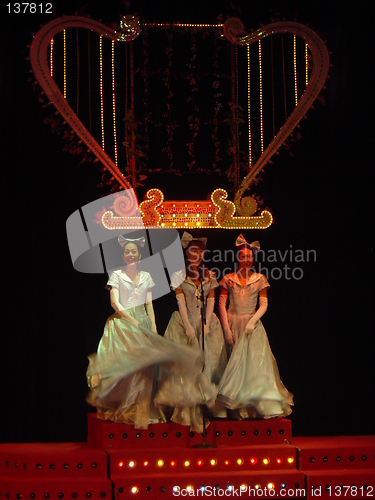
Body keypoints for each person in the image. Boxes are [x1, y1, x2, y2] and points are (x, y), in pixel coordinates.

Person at [86, 235, 209, 429]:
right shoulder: (117, 275)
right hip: (123, 323)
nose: (130, 254)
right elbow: (115, 303)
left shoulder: (146, 276)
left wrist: (153, 329)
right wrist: (132, 320)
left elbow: (149, 305)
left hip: (142, 322)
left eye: (134, 251)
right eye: (127, 251)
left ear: (139, 254)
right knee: (127, 368)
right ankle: (124, 407)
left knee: (146, 370)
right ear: (123, 255)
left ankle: (142, 409)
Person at [217, 234, 293, 419]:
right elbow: (222, 304)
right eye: (243, 256)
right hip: (234, 323)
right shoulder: (229, 278)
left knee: (254, 366)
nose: (247, 259)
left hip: (252, 327)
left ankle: (255, 406)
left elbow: (264, 304)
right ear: (237, 258)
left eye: (250, 256)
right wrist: (226, 328)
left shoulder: (259, 279)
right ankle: (238, 408)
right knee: (235, 367)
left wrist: (252, 321)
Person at [159, 232, 227, 432]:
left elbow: (211, 299)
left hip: (205, 324)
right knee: (188, 371)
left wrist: (205, 323)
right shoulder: (178, 275)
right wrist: (189, 326)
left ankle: (205, 410)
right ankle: (186, 413)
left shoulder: (209, 275)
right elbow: (180, 301)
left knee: (208, 367)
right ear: (187, 253)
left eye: (201, 252)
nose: (197, 255)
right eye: (194, 251)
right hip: (184, 324)